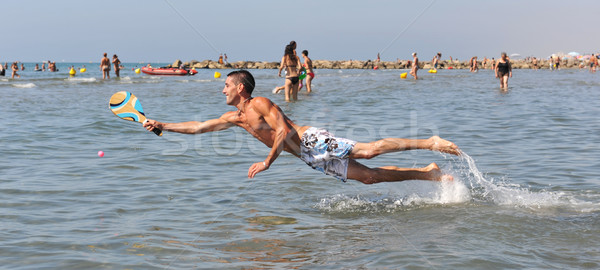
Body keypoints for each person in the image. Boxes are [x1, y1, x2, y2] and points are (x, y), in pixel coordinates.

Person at [143, 70, 460, 184]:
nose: (222, 90)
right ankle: (429, 174)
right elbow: (198, 127)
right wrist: (163, 125)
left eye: (226, 85)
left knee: (371, 151)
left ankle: (429, 141)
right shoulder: (234, 118)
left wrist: (267, 163)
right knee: (370, 178)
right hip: (306, 157)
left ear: (241, 88)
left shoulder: (260, 104)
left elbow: (282, 131)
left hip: (313, 141)